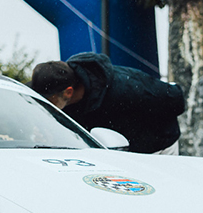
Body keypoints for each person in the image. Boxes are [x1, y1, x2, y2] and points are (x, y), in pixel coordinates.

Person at [31, 52, 185, 154]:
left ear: (68, 92)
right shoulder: (67, 100)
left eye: (47, 98)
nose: (43, 104)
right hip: (120, 147)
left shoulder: (125, 87)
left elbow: (176, 98)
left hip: (159, 143)